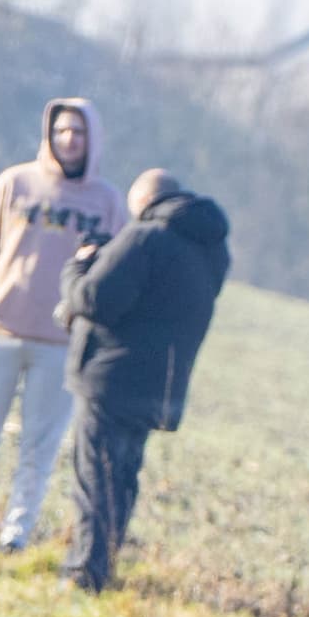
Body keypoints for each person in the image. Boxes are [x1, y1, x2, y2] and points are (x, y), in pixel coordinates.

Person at [0, 96, 125, 549]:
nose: (68, 139)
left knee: (38, 448)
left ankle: (15, 534)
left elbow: (119, 272)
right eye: (61, 130)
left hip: (60, 345)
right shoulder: (15, 183)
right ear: (50, 134)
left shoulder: (106, 203)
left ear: (93, 140)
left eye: (78, 133)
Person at [55, 167, 229, 592]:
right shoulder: (212, 251)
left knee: (95, 477)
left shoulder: (145, 238)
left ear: (144, 201)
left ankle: (85, 572)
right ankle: (106, 564)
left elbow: (97, 298)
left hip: (111, 379)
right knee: (123, 479)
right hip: (162, 388)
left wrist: (77, 269)